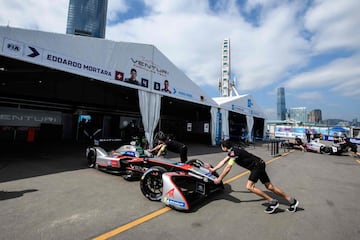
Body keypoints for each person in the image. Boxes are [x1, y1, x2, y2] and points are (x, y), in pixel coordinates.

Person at [210, 139, 299, 214]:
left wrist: (219, 179)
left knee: (249, 186)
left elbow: (228, 167)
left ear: (224, 147)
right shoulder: (233, 151)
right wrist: (213, 170)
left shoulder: (233, 153)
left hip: (256, 166)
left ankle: (272, 202)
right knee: (269, 187)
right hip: (260, 163)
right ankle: (292, 201)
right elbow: (223, 161)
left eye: (221, 147)